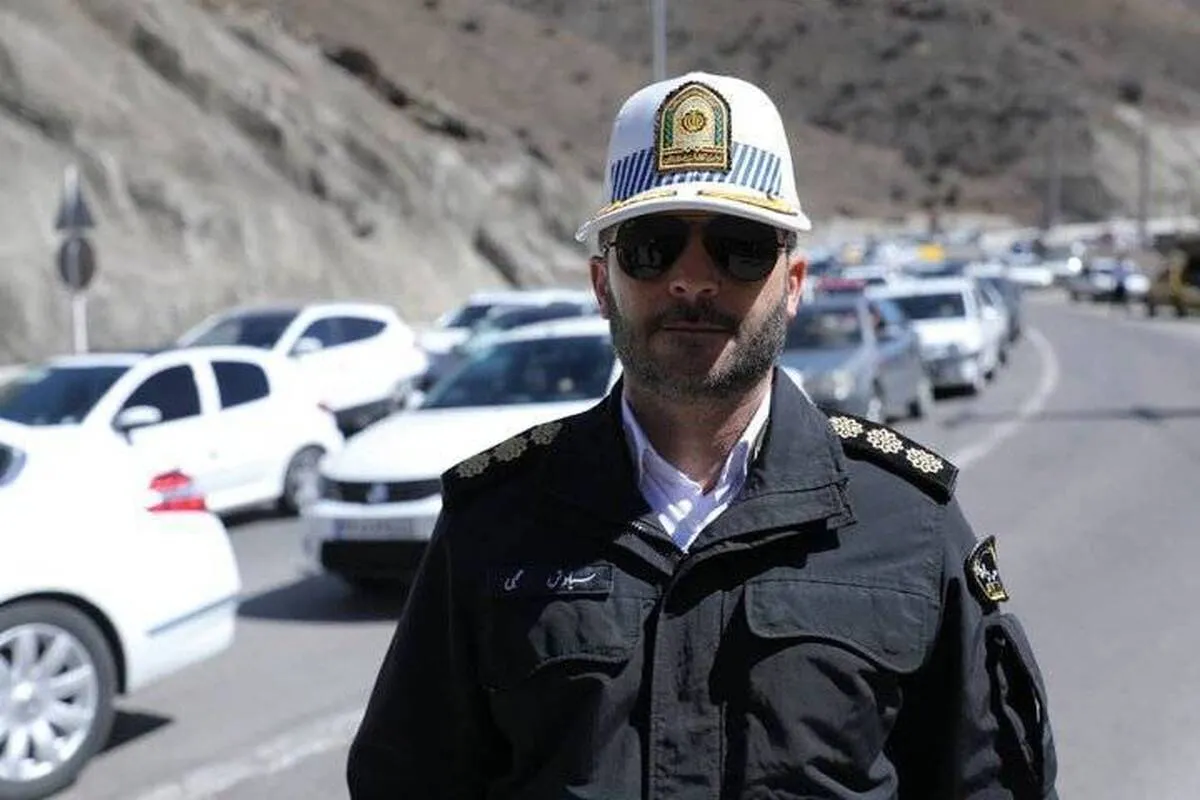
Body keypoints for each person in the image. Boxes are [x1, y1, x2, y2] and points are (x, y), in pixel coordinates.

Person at [347, 71, 1058, 798]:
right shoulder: (493, 523)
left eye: (739, 246)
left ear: (793, 282)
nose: (693, 280)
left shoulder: (908, 520)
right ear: (602, 284)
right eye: (651, 247)